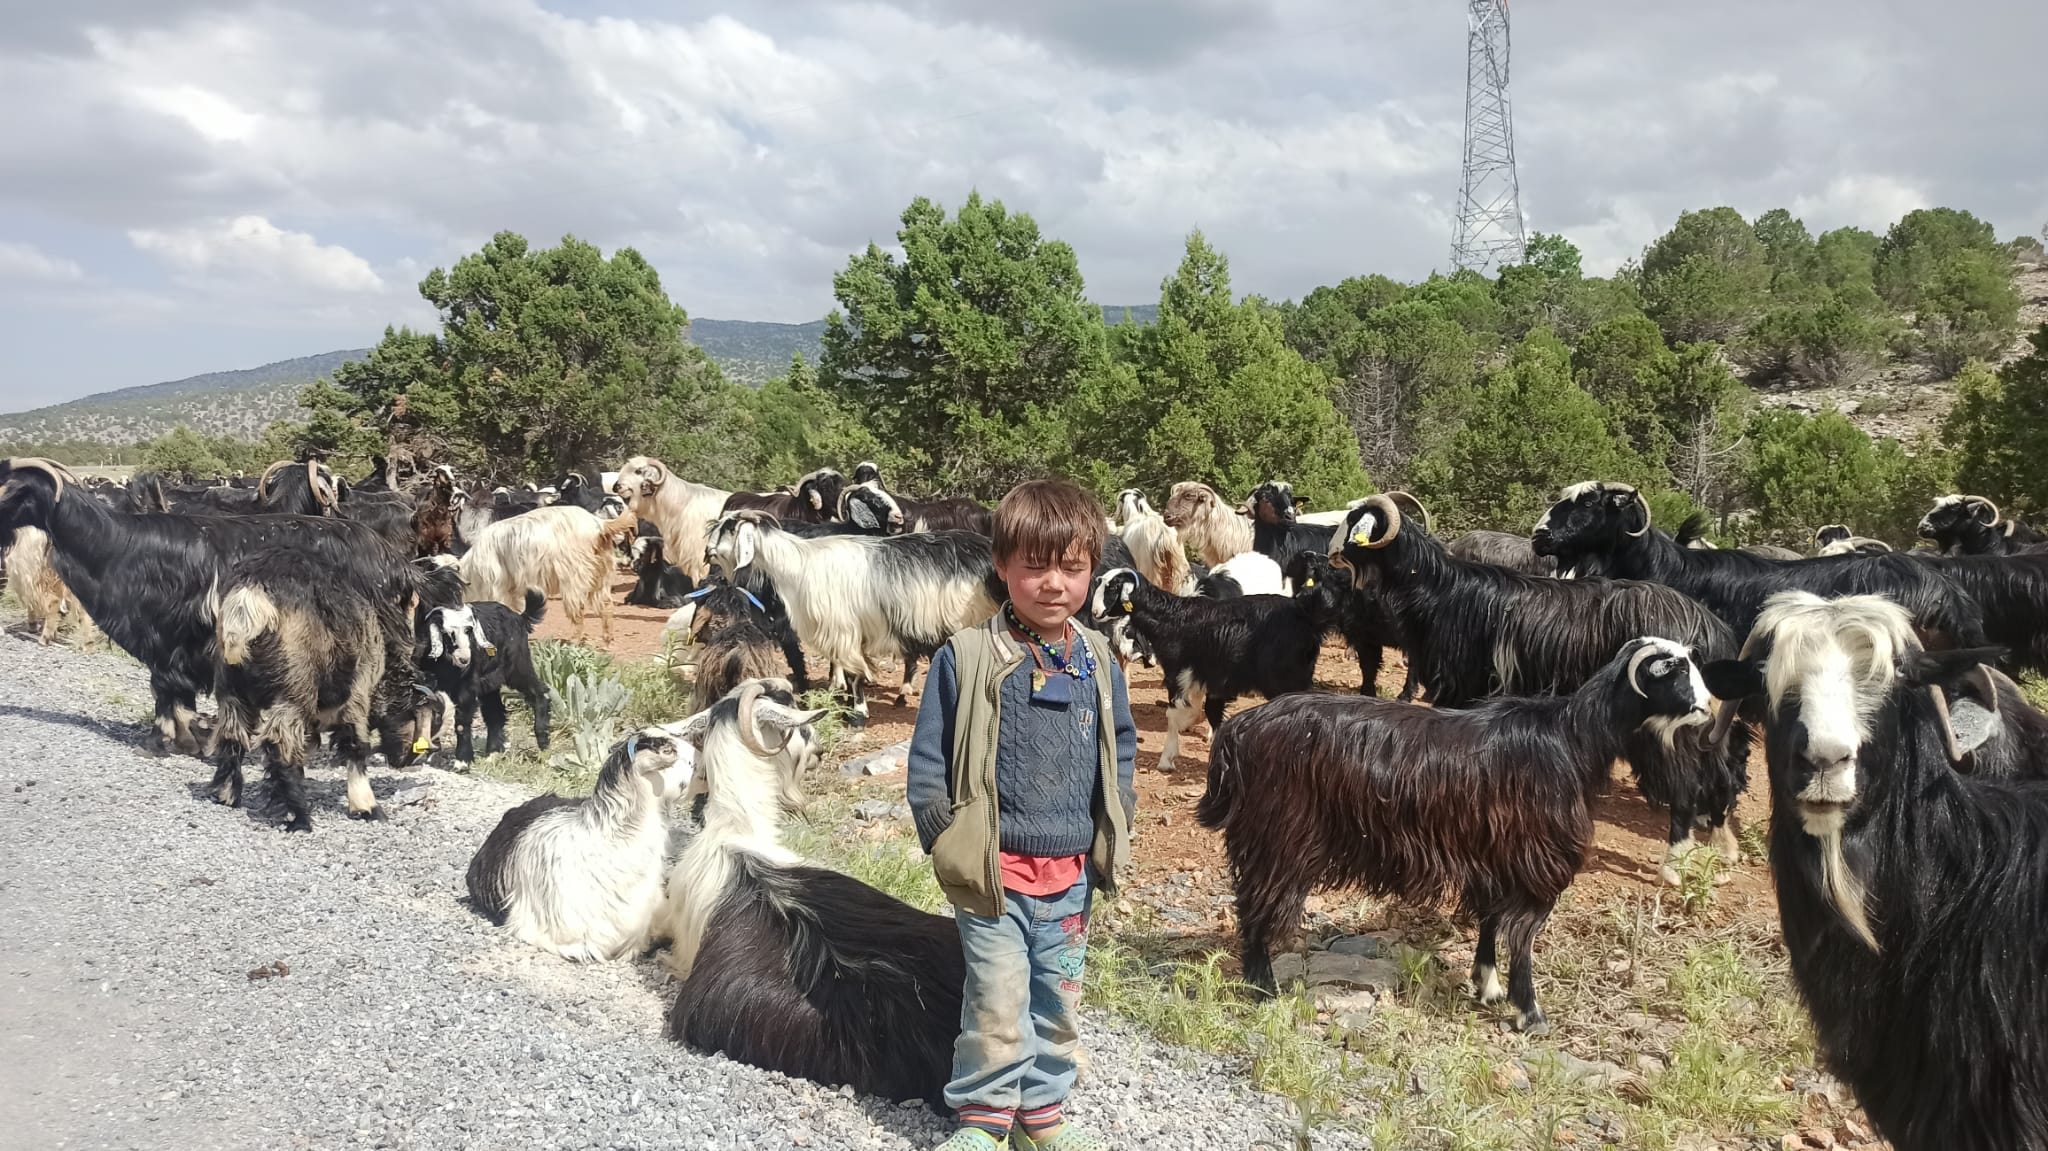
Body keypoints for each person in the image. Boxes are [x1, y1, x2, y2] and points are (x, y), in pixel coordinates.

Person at [907, 478, 1139, 1151]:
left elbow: (1120, 748)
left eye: (1071, 566)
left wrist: (1115, 818)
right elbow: (929, 758)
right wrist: (943, 835)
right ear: (1002, 565)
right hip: (993, 876)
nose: (1052, 583)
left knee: (1056, 1001)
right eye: (1034, 565)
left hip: (1069, 877)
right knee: (996, 1000)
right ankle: (983, 1122)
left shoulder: (1097, 659)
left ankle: (1040, 1120)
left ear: (1092, 569)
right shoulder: (966, 656)